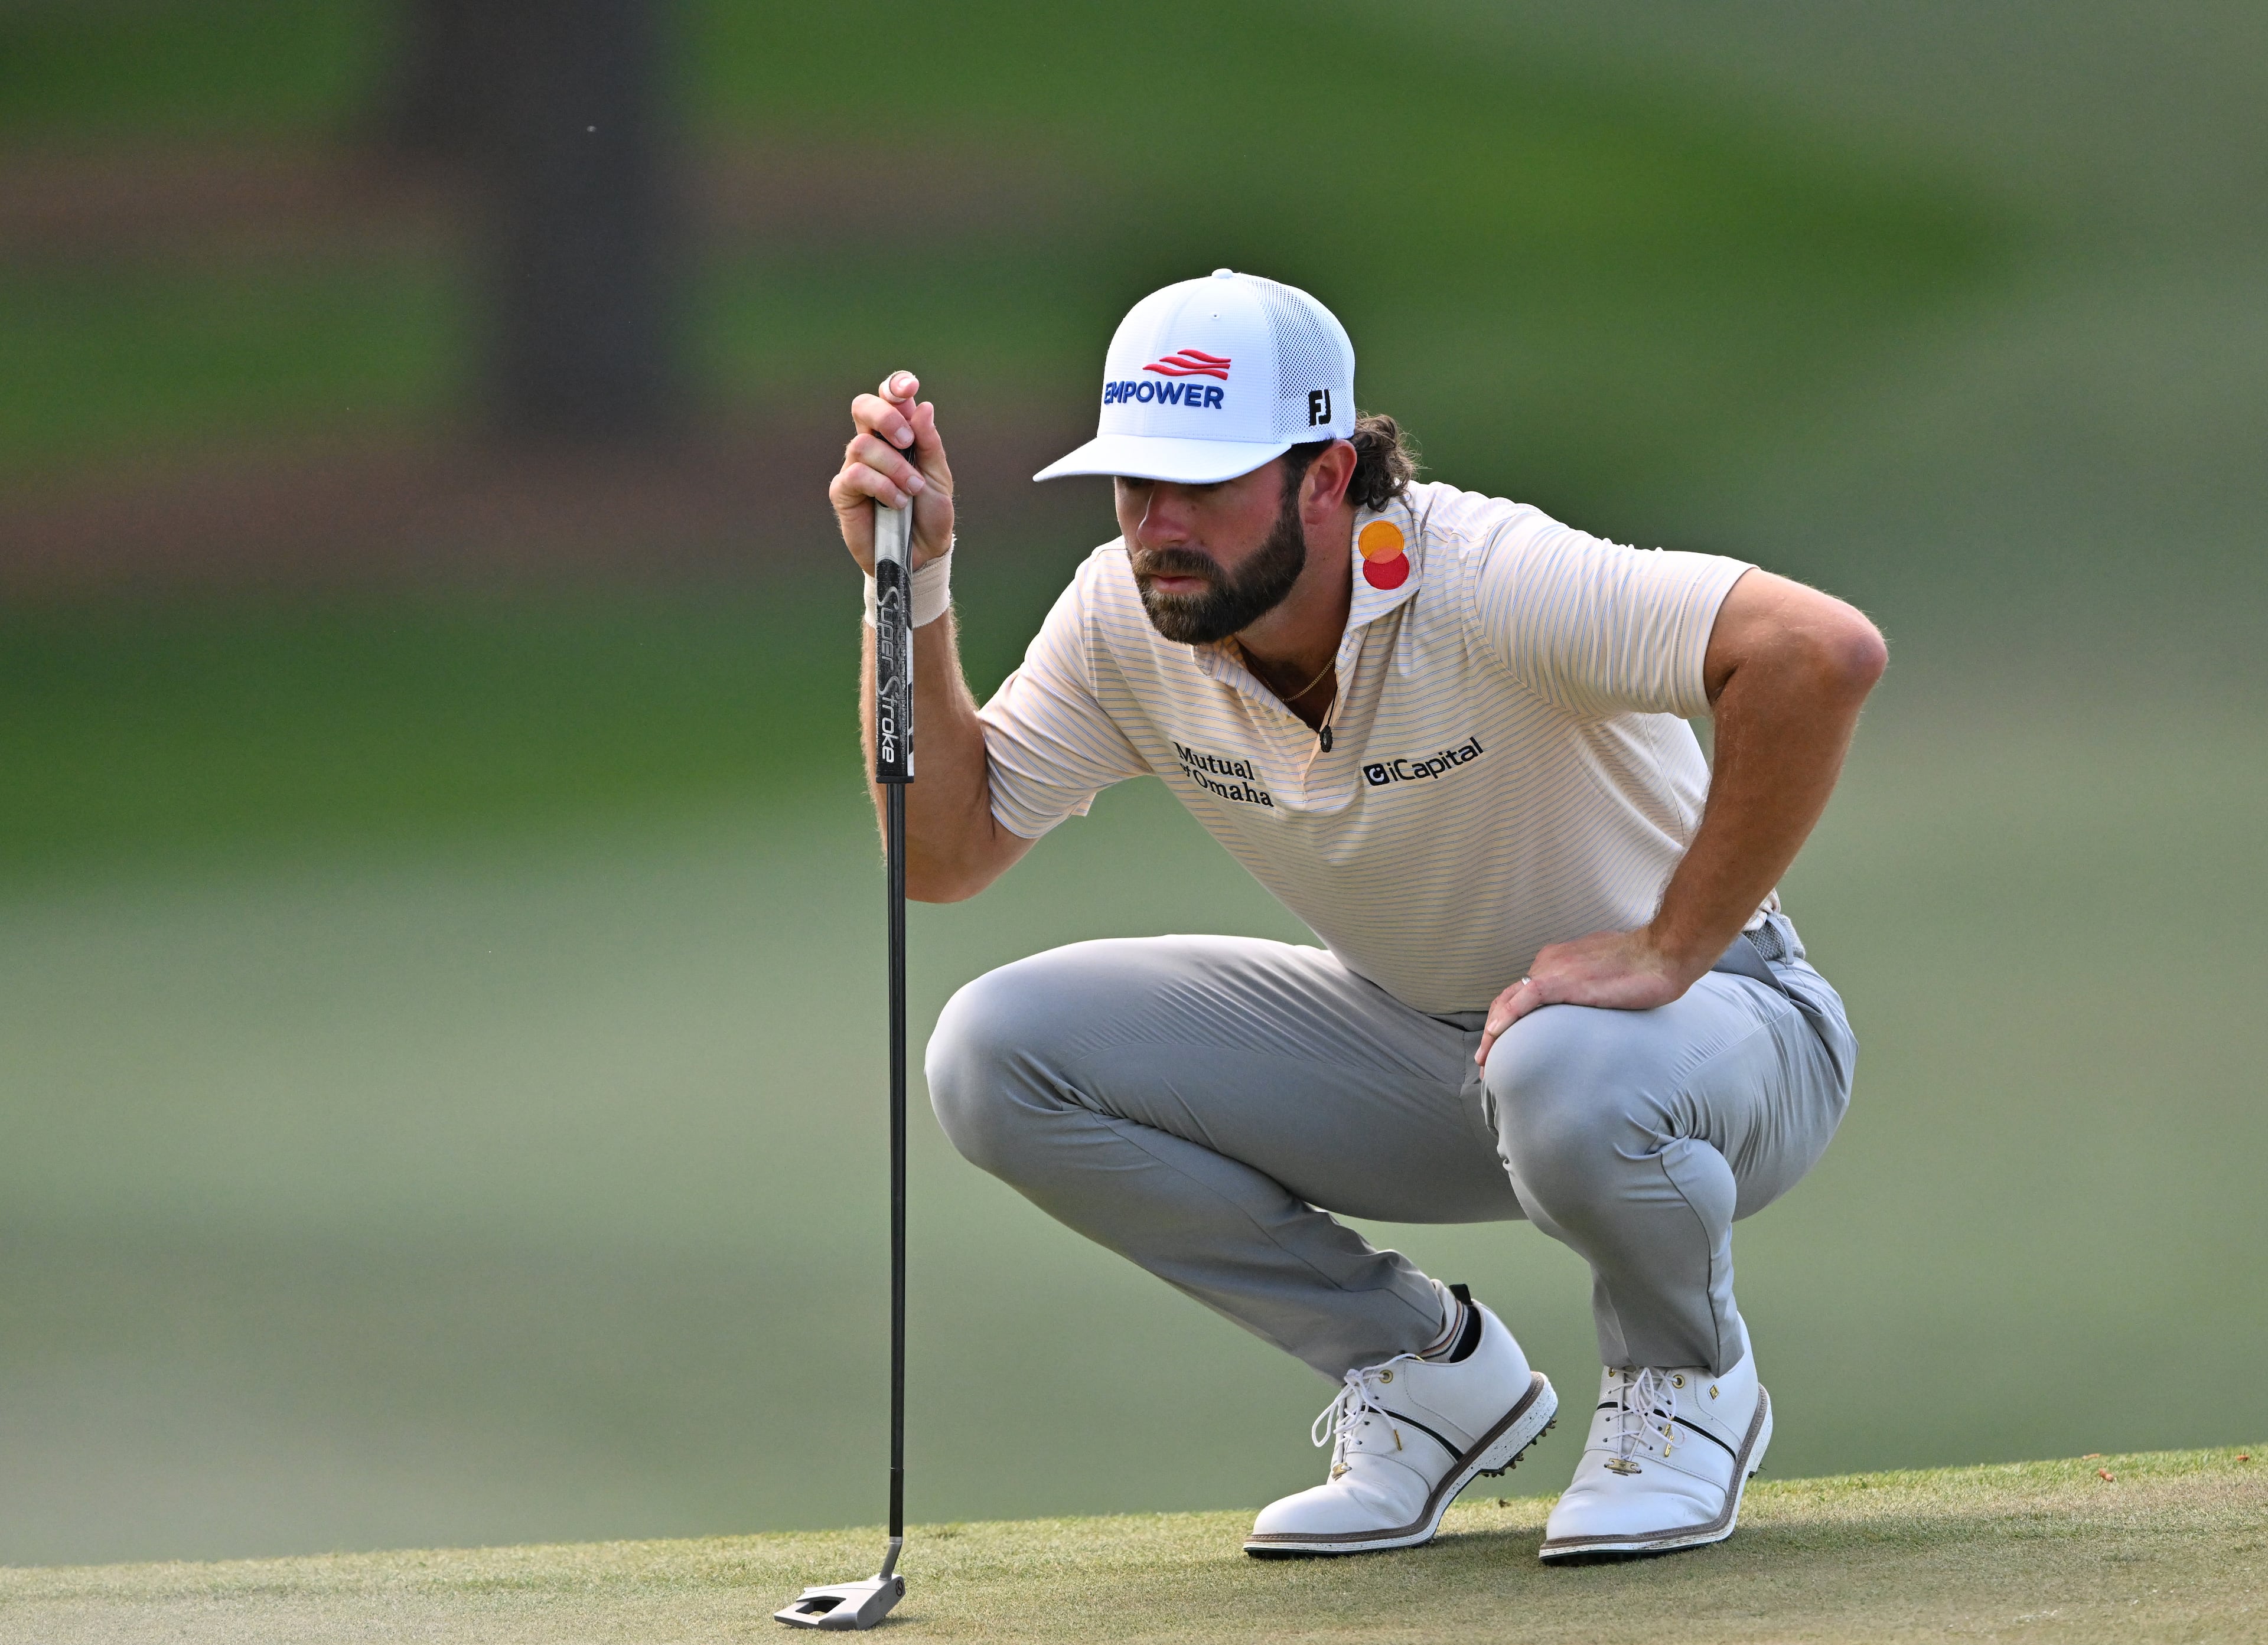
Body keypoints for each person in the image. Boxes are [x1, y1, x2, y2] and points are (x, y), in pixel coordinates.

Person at [826, 270, 1882, 1562]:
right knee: (994, 1055)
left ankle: (1685, 1383)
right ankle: (1425, 1370)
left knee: (1567, 1066)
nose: (1155, 525)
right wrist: (913, 588)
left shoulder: (1488, 577)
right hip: (1430, 1048)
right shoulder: (1127, 615)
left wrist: (1670, 948)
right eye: (1131, 483)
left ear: (1326, 474)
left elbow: (1816, 652)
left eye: (1201, 485)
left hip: (1719, 1043)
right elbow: (941, 854)